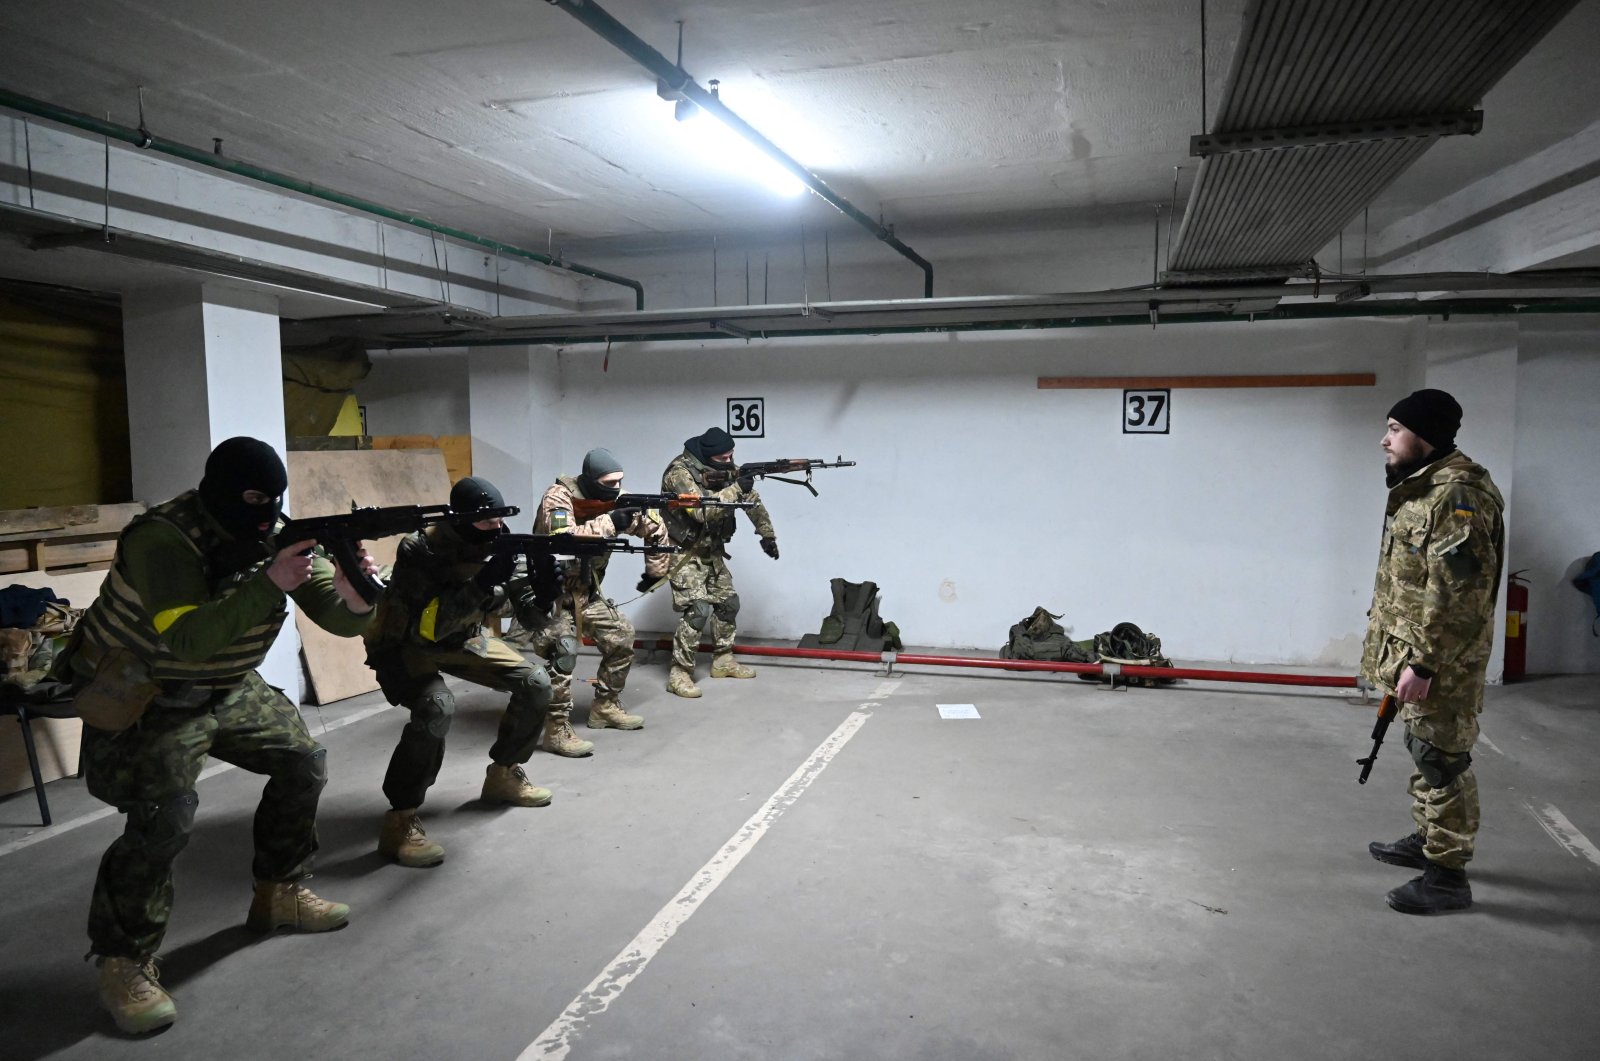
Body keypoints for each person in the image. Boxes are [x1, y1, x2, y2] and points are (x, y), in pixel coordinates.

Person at [51, 436, 377, 1035]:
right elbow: (188, 640)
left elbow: (337, 615)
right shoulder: (162, 539)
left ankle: (278, 894)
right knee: (164, 815)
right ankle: (123, 962)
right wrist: (271, 581)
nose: (266, 510)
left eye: (274, 499)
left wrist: (358, 593)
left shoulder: (274, 530)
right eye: (255, 497)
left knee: (302, 761)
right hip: (149, 694)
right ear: (222, 492)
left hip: (224, 685)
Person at [1362, 389, 1505, 915]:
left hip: (1442, 662)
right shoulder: (1423, 487)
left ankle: (1447, 876)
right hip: (1419, 654)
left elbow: (1461, 596)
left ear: (1424, 436)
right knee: (1424, 748)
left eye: (1395, 428)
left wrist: (1424, 663)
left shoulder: (1456, 497)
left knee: (1442, 760)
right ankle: (1428, 843)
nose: (1385, 438)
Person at [363, 476, 554, 869]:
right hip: (404, 642)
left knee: (536, 683)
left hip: (461, 638)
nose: (496, 529)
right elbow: (429, 625)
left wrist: (545, 592)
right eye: (487, 522)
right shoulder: (421, 548)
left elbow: (531, 616)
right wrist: (484, 580)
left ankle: (503, 775)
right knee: (436, 706)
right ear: (462, 519)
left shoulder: (499, 542)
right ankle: (400, 820)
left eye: (500, 521)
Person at [523, 448, 672, 743]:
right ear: (591, 481)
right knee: (563, 651)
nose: (616, 489)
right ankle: (556, 728)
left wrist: (655, 570)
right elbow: (562, 538)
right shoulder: (558, 496)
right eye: (609, 483)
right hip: (548, 596)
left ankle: (605, 706)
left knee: (622, 635)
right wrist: (611, 523)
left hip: (585, 594)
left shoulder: (613, 500)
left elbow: (654, 526)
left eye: (619, 482)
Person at [659, 427, 777, 697]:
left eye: (731, 456)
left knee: (728, 603)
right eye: (724, 458)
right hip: (682, 552)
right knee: (698, 610)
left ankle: (723, 660)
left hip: (711, 550)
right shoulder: (679, 474)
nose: (730, 462)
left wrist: (767, 534)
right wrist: (736, 488)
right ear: (709, 456)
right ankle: (680, 673)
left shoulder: (723, 468)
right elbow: (700, 512)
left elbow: (751, 500)